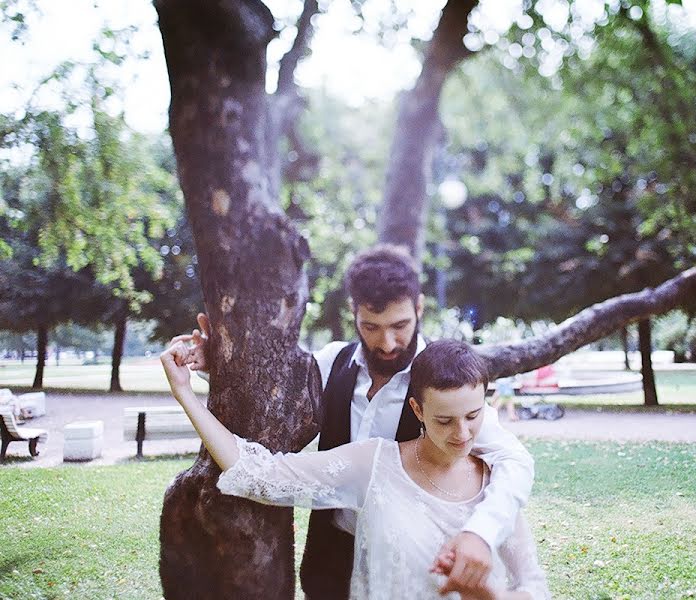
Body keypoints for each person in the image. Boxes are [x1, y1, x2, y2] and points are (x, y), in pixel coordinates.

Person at [176, 244, 534, 599]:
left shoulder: (447, 387)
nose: (388, 342)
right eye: (371, 326)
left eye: (400, 325)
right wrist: (216, 366)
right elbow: (274, 397)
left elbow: (514, 462)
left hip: (414, 557)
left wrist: (481, 532)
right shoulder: (332, 361)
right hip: (330, 558)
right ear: (354, 313)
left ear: (419, 307)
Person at [161, 338, 550, 600]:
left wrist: (489, 596)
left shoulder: (498, 484)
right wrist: (186, 395)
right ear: (417, 409)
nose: (462, 433)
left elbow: (532, 586)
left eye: (473, 415)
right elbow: (263, 475)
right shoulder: (374, 464)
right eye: (445, 420)